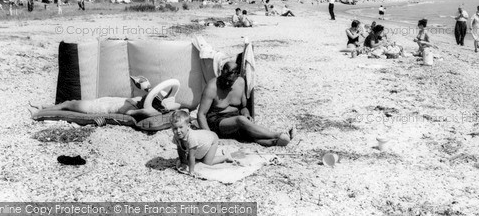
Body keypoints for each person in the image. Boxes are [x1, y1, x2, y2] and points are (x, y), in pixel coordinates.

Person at [197, 62, 295, 146]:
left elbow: (243, 107)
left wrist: (246, 114)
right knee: (240, 120)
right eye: (225, 79)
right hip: (218, 122)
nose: (227, 83)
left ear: (236, 77)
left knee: (252, 135)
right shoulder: (212, 87)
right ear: (221, 72)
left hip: (237, 120)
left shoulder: (240, 83)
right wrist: (210, 137)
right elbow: (201, 114)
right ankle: (277, 134)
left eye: (230, 81)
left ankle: (276, 142)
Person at [28, 76, 181, 121]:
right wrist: (147, 88)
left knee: (69, 104)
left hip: (98, 108)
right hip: (105, 101)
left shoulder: (137, 110)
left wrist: (163, 109)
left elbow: (150, 112)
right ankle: (45, 107)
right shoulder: (140, 101)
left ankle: (38, 113)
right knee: (68, 103)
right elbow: (169, 100)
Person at [171, 110, 233, 177]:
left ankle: (226, 157)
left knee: (207, 162)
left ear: (188, 126)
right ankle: (203, 152)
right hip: (203, 138)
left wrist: (191, 171)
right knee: (191, 158)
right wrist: (183, 162)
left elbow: (192, 155)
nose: (178, 131)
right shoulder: (176, 136)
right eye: (175, 128)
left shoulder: (191, 138)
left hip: (212, 139)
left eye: (181, 127)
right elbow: (179, 149)